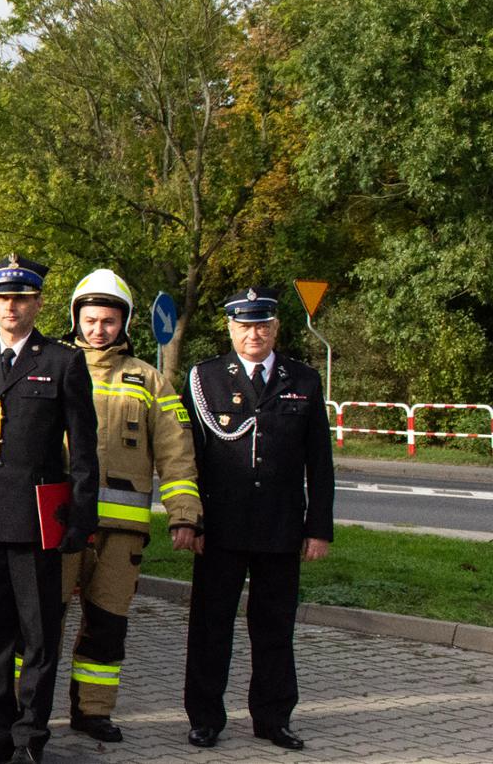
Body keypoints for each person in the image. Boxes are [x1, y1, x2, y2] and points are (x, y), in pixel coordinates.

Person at [0, 254, 99, 764]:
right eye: (3, 298)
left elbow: (83, 448)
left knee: (38, 635)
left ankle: (33, 733)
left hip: (38, 519)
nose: (11, 307)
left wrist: (81, 515)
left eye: (21, 298)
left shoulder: (62, 361)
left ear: (37, 304)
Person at [182, 287, 334, 751]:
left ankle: (273, 717)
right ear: (230, 328)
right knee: (211, 627)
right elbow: (190, 459)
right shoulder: (205, 378)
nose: (255, 333)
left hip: (281, 526)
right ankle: (205, 718)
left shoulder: (304, 380)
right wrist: (193, 520)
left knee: (274, 628)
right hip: (222, 527)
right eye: (246, 325)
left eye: (263, 325)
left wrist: (318, 527)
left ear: (276, 329)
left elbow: (320, 463)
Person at [55, 270, 201, 743]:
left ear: (125, 323)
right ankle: (20, 708)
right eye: (91, 320)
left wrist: (184, 514)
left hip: (122, 531)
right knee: (37, 623)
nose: (99, 330)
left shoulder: (149, 379)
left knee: (108, 625)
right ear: (76, 319)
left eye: (109, 321)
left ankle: (93, 712)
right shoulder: (54, 366)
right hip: (58, 525)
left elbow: (177, 452)